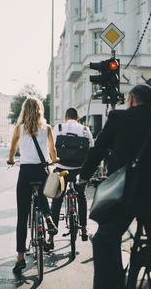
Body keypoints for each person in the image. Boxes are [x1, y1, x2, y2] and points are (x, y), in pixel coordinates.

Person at [79, 84, 151, 289]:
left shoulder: (118, 118)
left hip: (124, 196)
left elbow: (98, 149)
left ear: (130, 99)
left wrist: (83, 177)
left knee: (103, 240)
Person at [7, 97, 59, 273]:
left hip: (26, 173)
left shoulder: (18, 129)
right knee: (43, 194)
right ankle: (48, 217)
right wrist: (54, 159)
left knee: (22, 217)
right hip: (41, 170)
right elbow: (52, 150)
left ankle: (20, 258)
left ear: (24, 110)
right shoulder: (47, 128)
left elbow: (13, 148)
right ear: (40, 110)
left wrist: (11, 159)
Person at [47, 107, 94, 249]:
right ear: (78, 118)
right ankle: (84, 229)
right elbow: (91, 147)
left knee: (56, 200)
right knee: (82, 196)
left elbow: (51, 147)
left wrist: (52, 160)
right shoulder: (85, 129)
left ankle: (51, 237)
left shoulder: (59, 127)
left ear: (66, 117)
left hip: (61, 169)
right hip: (79, 170)